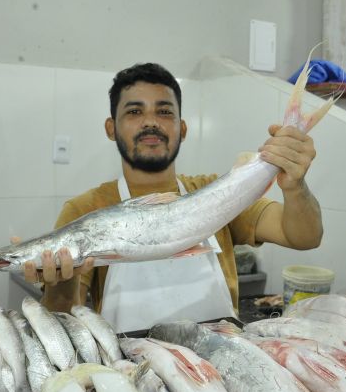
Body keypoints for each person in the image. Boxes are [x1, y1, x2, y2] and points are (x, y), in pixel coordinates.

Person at [23, 62, 323, 332]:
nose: (150, 122)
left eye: (164, 111)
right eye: (134, 111)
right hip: (132, 372)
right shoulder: (85, 209)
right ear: (111, 128)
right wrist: (61, 282)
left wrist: (295, 185)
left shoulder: (218, 192)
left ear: (182, 128)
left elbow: (303, 237)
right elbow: (60, 320)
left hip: (223, 363)